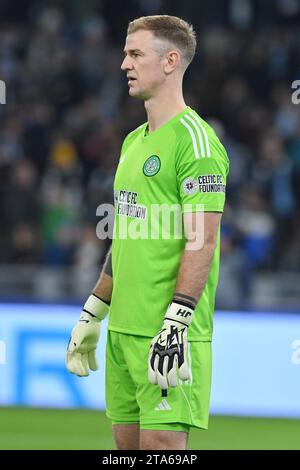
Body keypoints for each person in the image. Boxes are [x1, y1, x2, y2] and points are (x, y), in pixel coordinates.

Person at [66, 15, 229, 451]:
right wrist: (94, 310)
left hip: (167, 335)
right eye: (125, 53)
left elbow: (203, 240)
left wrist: (175, 323)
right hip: (122, 332)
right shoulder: (133, 142)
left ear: (171, 61)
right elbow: (125, 237)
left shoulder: (196, 142)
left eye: (135, 54)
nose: (124, 64)